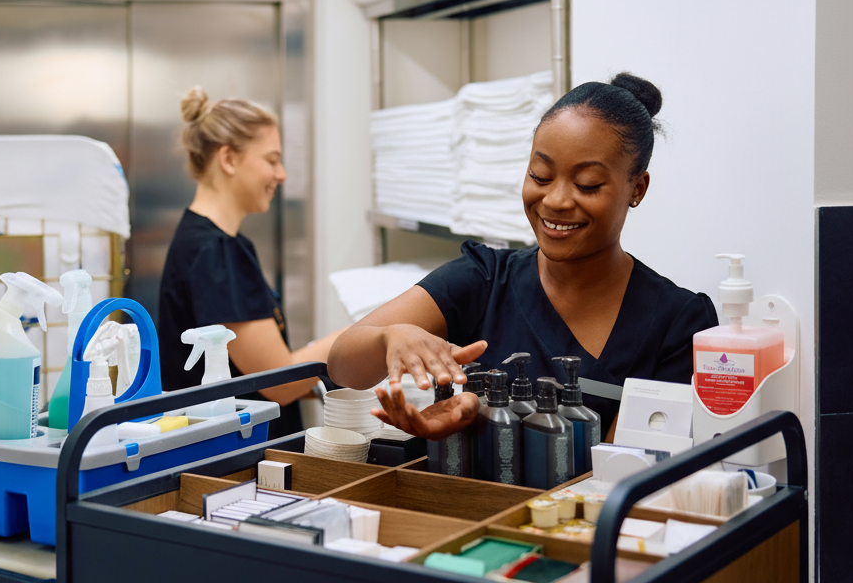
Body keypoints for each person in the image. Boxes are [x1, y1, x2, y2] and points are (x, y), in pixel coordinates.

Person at [328, 73, 718, 441]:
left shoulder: (677, 322)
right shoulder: (485, 279)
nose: (556, 200)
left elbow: (626, 467)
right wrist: (390, 338)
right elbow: (343, 366)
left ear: (637, 189)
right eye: (540, 175)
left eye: (587, 184)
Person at [159, 87, 344, 437]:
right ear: (228, 159)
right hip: (236, 453)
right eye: (272, 160)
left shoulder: (212, 243)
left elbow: (253, 374)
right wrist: (360, 335)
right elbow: (278, 382)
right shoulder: (215, 252)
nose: (282, 174)